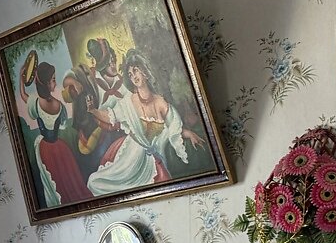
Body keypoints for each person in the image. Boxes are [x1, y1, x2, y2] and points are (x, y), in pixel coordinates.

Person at [86, 48, 208, 198]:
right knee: (96, 182)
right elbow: (111, 116)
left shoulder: (160, 102)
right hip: (131, 156)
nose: (133, 76)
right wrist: (93, 111)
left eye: (135, 71)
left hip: (151, 157)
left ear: (145, 71)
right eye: (130, 74)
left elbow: (173, 127)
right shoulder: (128, 102)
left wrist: (189, 133)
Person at [17, 52, 92, 207]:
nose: (55, 83)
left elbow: (23, 95)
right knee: (59, 180)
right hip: (56, 148)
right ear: (45, 83)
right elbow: (63, 122)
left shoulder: (36, 103)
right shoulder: (58, 105)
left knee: (64, 179)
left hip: (48, 147)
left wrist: (21, 80)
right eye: (52, 80)